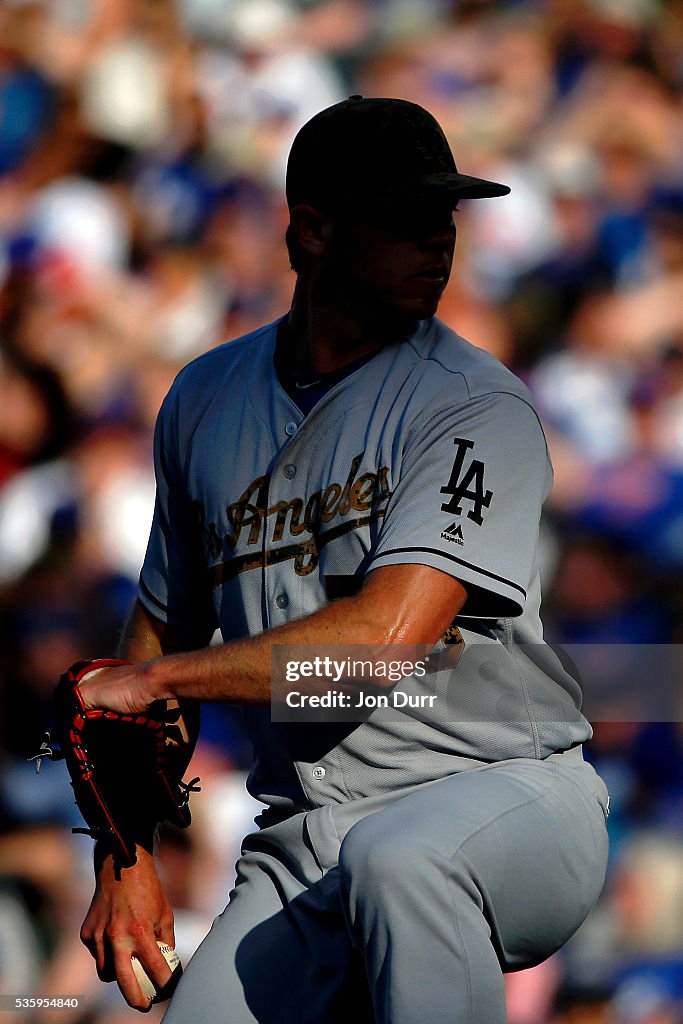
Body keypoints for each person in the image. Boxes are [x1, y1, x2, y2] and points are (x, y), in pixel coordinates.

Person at [77, 97, 609, 1023]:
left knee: (402, 859)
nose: (437, 243)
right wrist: (125, 855)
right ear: (312, 230)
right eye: (405, 220)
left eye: (443, 218)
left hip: (501, 796)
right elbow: (151, 645)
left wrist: (158, 679)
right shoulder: (205, 400)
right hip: (306, 838)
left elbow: (379, 646)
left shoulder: (474, 404)